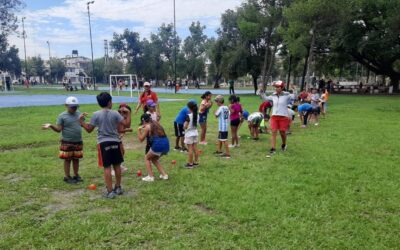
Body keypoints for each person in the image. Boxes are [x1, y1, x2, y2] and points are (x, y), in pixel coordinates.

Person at [79, 92, 131, 199]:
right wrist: (128, 114)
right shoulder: (116, 113)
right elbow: (126, 125)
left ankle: (110, 191)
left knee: (107, 167)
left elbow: (89, 129)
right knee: (117, 165)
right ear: (110, 102)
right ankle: (118, 187)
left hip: (103, 143)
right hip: (115, 142)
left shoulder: (96, 114)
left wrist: (81, 122)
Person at [42, 96, 83, 184]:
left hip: (78, 141)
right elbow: (59, 130)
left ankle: (76, 175)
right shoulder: (62, 116)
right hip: (67, 141)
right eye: (72, 107)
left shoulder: (79, 114)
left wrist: (83, 119)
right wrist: (51, 125)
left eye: (76, 107)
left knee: (76, 159)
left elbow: (82, 124)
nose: (74, 109)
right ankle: (67, 176)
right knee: (67, 159)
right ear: (66, 105)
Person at [259, 81, 294, 156]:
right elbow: (266, 98)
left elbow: (294, 97)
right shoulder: (273, 95)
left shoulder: (286, 95)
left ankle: (284, 144)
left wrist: (293, 89)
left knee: (282, 132)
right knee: (274, 131)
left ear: (282, 87)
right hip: (274, 116)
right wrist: (262, 92)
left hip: (283, 116)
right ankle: (273, 148)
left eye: (278, 87)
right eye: (276, 87)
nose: (276, 88)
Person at [137, 113, 169, 182]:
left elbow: (140, 140)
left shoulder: (147, 127)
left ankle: (150, 177)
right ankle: (164, 175)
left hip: (158, 145)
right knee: (154, 159)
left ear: (143, 121)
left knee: (147, 158)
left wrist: (139, 130)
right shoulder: (157, 124)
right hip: (166, 145)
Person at [184, 101, 200, 168]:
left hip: (189, 134)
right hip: (195, 133)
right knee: (195, 148)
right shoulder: (198, 115)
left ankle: (190, 163)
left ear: (190, 108)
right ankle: (196, 162)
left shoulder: (188, 116)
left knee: (190, 149)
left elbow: (185, 126)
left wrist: (184, 125)